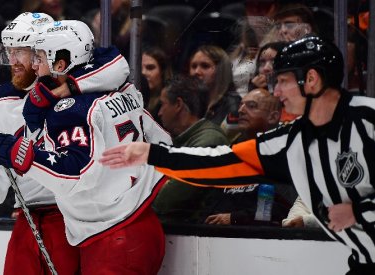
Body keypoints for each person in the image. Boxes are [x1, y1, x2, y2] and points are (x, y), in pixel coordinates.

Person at [100, 35, 375, 275]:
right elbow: (221, 162)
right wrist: (154, 155)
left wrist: (359, 212)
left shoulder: (369, 120)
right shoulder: (291, 141)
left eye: (283, 81)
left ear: (312, 79)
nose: (276, 92)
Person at [0, 20, 171, 274]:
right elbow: (163, 142)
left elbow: (76, 173)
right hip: (143, 225)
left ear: (60, 63)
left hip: (113, 238)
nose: (34, 65)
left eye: (39, 57)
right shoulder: (122, 88)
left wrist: (19, 154)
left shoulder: (69, 110)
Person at [0, 13, 131, 274]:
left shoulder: (81, 83)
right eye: (8, 51)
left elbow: (117, 67)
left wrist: (63, 89)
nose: (12, 61)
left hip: (74, 215)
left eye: (21, 51)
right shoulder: (0, 101)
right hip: (27, 218)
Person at [203, 88, 296, 226]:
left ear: (273, 117)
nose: (241, 110)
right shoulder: (232, 152)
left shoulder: (283, 157)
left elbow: (284, 209)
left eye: (251, 106)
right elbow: (212, 202)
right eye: (241, 104)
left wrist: (234, 218)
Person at [152, 75, 229, 223]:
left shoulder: (209, 142)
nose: (160, 112)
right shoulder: (181, 140)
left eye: (163, 104)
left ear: (178, 105)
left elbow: (166, 200)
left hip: (196, 233)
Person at [141, 46, 172, 120]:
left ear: (162, 72)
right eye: (140, 68)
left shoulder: (170, 103)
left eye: (150, 68)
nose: (143, 72)